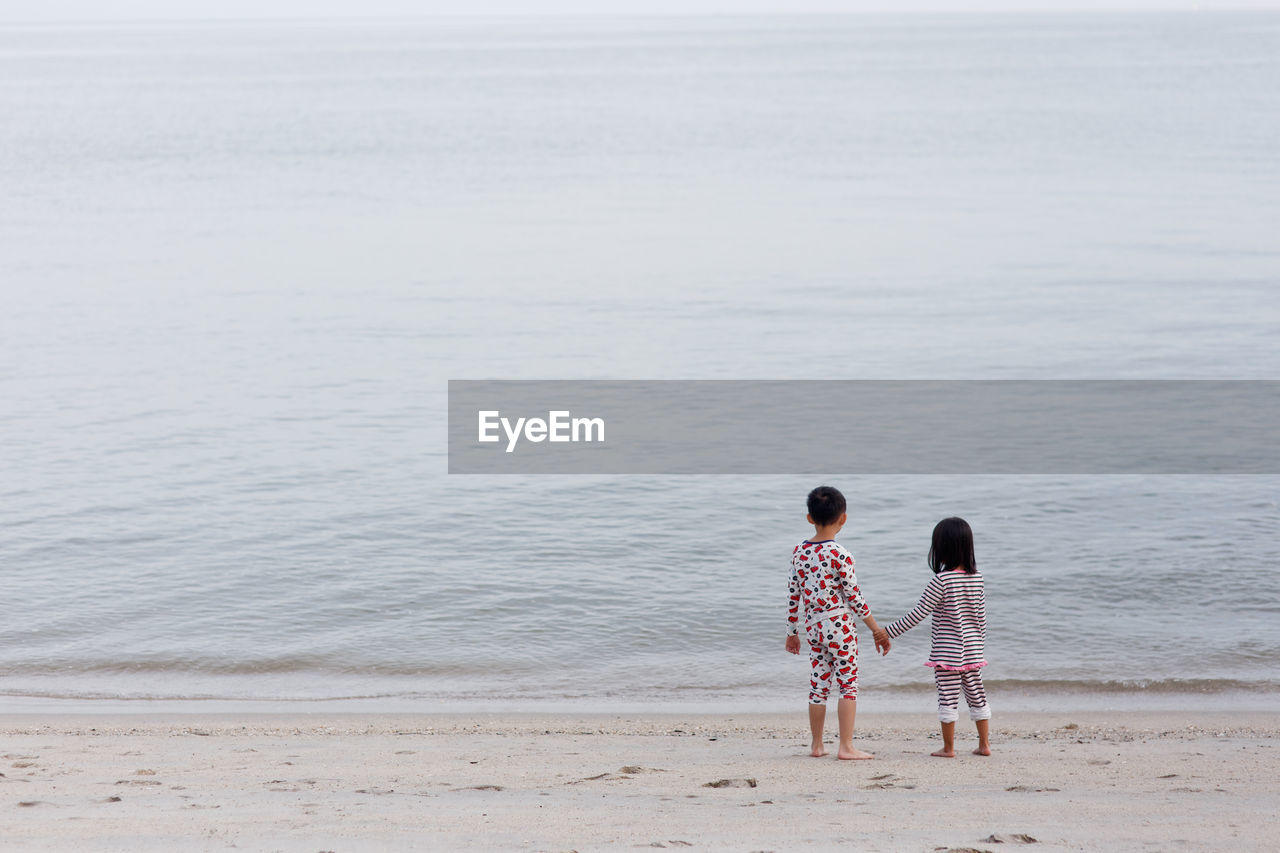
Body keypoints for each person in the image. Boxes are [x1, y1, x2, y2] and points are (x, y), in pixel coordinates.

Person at [785, 486, 891, 760]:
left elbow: (794, 593)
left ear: (810, 517)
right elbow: (854, 597)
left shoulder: (799, 551)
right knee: (848, 685)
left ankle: (817, 745)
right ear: (843, 518)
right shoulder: (840, 554)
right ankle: (846, 746)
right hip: (840, 626)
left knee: (818, 685)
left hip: (813, 628)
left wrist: (792, 632)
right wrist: (876, 630)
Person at [883, 516, 991, 757]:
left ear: (941, 550)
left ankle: (949, 748)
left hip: (947, 654)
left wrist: (887, 633)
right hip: (973, 651)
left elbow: (917, 614)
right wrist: (978, 644)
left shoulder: (941, 580)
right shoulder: (977, 578)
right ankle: (984, 745)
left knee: (947, 699)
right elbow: (981, 618)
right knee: (977, 696)